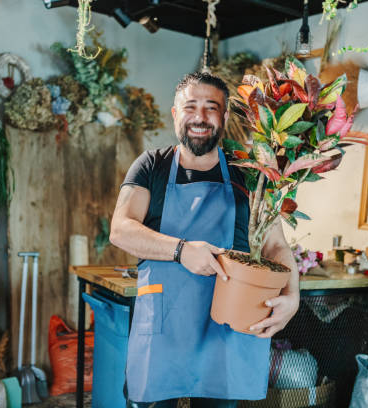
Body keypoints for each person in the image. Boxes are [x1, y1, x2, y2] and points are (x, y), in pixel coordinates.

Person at [109, 72, 300, 407]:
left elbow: (275, 246)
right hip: (165, 326)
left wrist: (292, 297)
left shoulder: (250, 173)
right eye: (191, 106)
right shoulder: (151, 165)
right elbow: (121, 228)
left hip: (227, 329)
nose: (200, 117)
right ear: (175, 114)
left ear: (224, 117)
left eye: (211, 108)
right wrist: (180, 250)